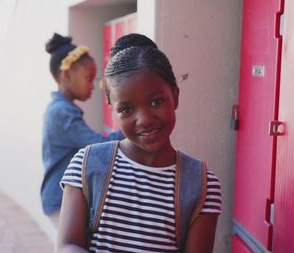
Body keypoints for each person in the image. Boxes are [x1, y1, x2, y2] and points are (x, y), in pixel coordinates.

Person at [57, 33, 222, 253]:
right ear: (113, 109)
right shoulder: (87, 164)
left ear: (175, 96)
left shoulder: (202, 184)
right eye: (126, 109)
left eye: (156, 101)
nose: (144, 119)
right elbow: (67, 246)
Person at [41, 33, 124, 226]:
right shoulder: (62, 113)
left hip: (59, 198)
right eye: (89, 78)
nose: (93, 86)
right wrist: (128, 128)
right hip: (61, 200)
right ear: (67, 74)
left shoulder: (60, 109)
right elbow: (97, 146)